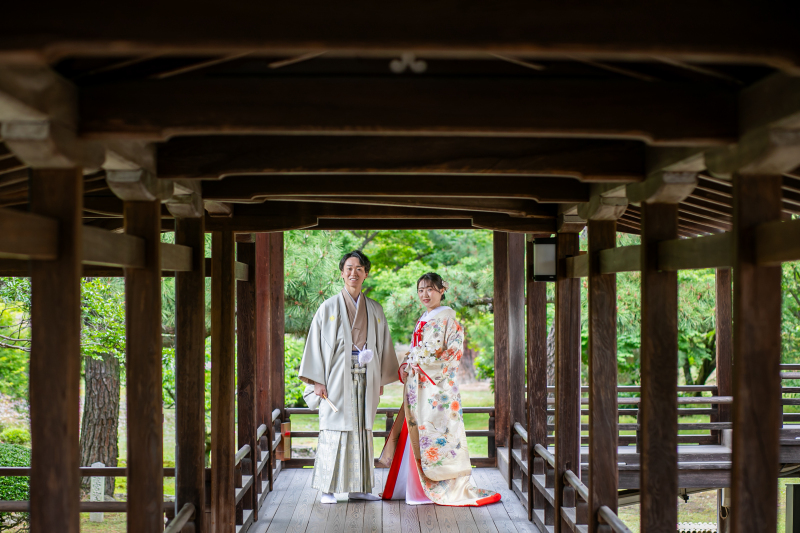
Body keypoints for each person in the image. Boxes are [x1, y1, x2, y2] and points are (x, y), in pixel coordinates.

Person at [379, 272, 500, 506]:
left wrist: (421, 364)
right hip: (418, 386)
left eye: (430, 289)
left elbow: (453, 354)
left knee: (436, 433)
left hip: (437, 390)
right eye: (421, 290)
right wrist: (406, 365)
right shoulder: (424, 317)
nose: (425, 294)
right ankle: (412, 488)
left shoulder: (448, 319)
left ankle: (435, 488)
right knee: (415, 431)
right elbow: (415, 350)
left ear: (441, 290)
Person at [298, 250, 400, 504]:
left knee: (362, 429)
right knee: (334, 428)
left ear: (366, 273)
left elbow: (382, 346)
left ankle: (359, 487)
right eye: (349, 268)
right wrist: (318, 380)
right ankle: (327, 489)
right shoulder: (329, 307)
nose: (353, 273)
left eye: (359, 269)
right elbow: (316, 345)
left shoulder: (374, 308)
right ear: (342, 273)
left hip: (367, 373)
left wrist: (379, 380)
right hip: (335, 375)